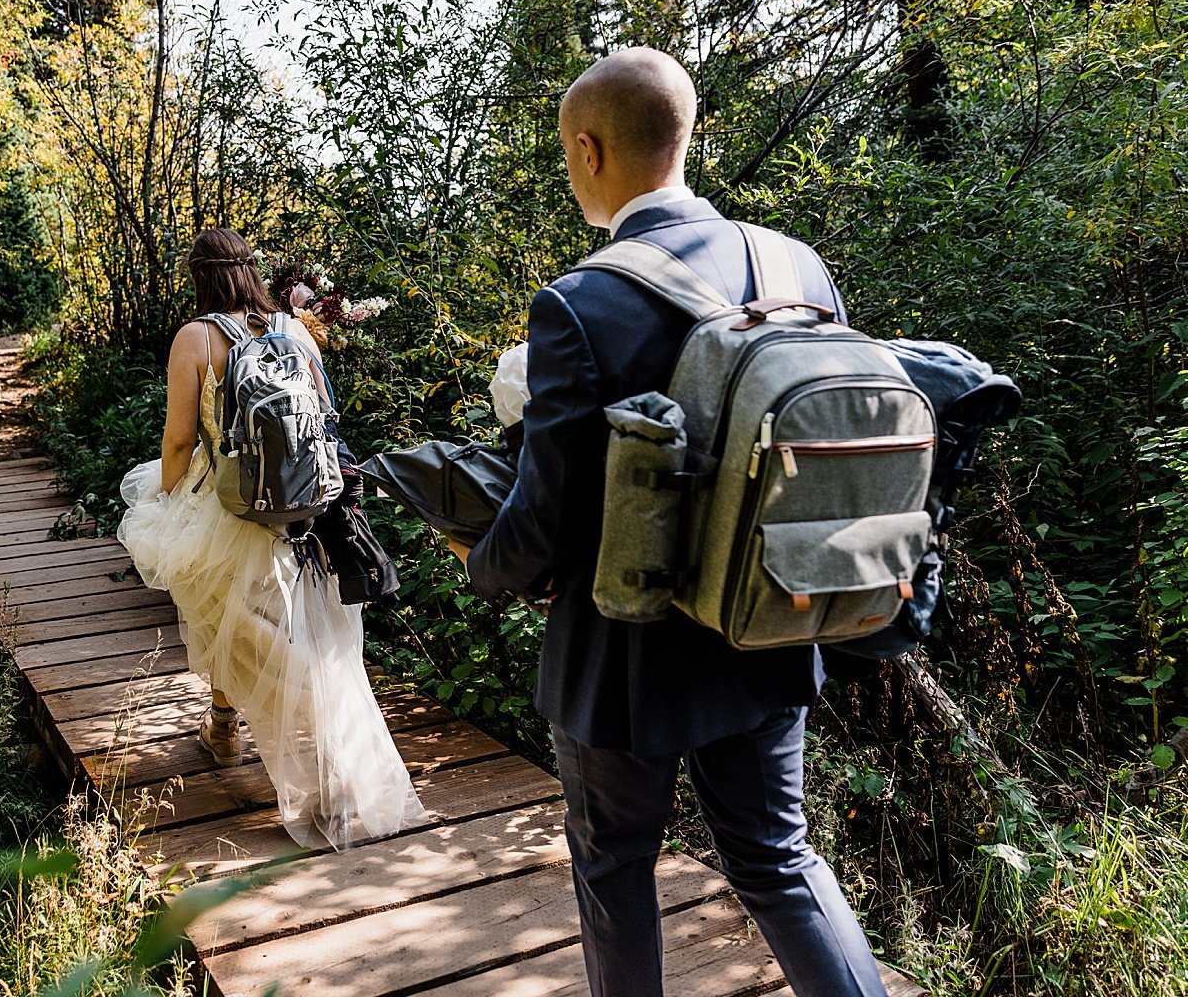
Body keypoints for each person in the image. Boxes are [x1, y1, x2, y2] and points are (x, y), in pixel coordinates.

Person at [454, 48, 890, 997]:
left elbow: (547, 511)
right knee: (778, 860)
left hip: (626, 654)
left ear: (588, 148)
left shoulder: (581, 301)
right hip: (775, 614)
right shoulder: (797, 264)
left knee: (615, 868)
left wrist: (481, 565)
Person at [117, 228, 426, 851]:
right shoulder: (292, 328)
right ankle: (226, 724)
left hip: (229, 503)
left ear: (198, 276)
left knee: (235, 621)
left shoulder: (196, 338)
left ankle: (290, 747)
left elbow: (180, 440)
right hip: (304, 504)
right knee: (285, 622)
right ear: (249, 272)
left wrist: (168, 497)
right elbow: (323, 415)